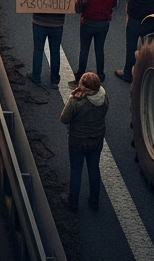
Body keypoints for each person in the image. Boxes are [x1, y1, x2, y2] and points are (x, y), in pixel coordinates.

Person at [60, 73, 109, 213]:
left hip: (78, 140)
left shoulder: (76, 100)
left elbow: (64, 119)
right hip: (96, 139)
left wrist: (71, 97)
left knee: (76, 170)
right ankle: (94, 201)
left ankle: (73, 202)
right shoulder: (103, 96)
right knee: (94, 169)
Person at [72, 0, 118, 84]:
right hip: (104, 24)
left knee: (84, 49)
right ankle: (101, 75)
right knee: (99, 49)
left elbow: (77, 7)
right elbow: (115, 3)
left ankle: (80, 75)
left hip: (88, 23)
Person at [30, 0, 67, 86]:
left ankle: (36, 76)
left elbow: (31, 0)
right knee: (55, 51)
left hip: (39, 22)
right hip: (57, 24)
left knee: (38, 49)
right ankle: (54, 80)